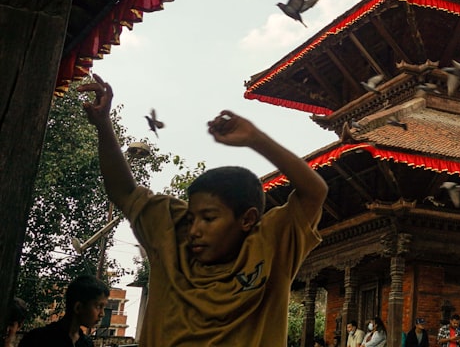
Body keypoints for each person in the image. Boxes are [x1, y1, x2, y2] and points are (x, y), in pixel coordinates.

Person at [78, 76, 328, 346]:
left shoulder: (272, 246)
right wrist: (103, 124)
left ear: (248, 219)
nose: (194, 230)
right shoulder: (171, 232)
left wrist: (256, 139)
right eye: (192, 217)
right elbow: (124, 192)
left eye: (209, 219)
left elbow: (314, 191)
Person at [17, 275, 108, 347]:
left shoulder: (86, 344)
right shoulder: (38, 339)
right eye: (98, 306)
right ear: (78, 307)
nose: (102, 314)